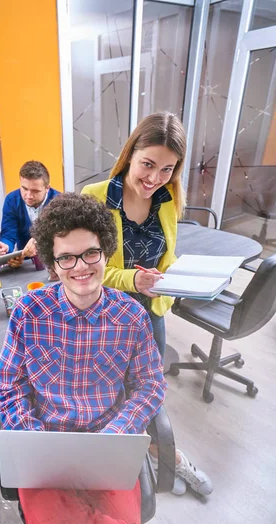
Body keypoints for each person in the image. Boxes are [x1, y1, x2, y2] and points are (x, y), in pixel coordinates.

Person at [0, 193, 248, 524]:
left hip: (108, 448)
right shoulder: (29, 311)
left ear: (105, 250)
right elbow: (8, 385)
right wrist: (32, 436)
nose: (81, 267)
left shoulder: (131, 316)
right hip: (45, 449)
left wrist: (116, 431)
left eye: (91, 252)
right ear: (51, 261)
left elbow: (150, 386)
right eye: (67, 257)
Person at [82, 111, 212, 497]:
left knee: (148, 391)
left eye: (167, 169)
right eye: (148, 164)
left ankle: (162, 454)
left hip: (150, 316)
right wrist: (132, 280)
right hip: (104, 317)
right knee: (108, 396)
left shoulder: (169, 200)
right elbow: (84, 270)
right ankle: (123, 465)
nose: (155, 178)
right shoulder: (96, 199)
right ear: (130, 154)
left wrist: (172, 279)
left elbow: (167, 257)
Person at [0, 160, 59, 268]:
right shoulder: (11, 200)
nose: (28, 195)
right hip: (25, 265)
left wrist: (40, 241)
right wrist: (5, 248)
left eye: (35, 191)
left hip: (56, 262)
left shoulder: (59, 201)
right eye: (24, 189)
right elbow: (8, 235)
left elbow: (63, 235)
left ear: (47, 188)